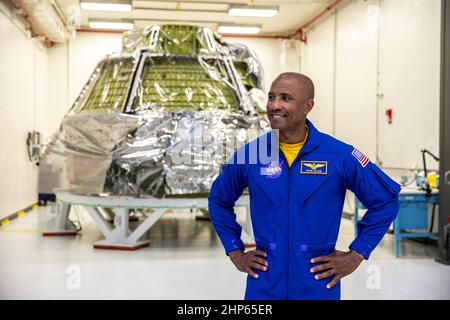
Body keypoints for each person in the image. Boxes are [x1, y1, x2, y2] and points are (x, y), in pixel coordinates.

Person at [208, 72, 401, 300]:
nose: (274, 105)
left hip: (318, 283)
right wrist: (235, 251)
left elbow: (386, 200)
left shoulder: (338, 155)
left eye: (285, 98)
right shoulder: (251, 154)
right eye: (271, 97)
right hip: (265, 284)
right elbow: (219, 200)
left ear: (308, 106)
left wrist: (357, 254)